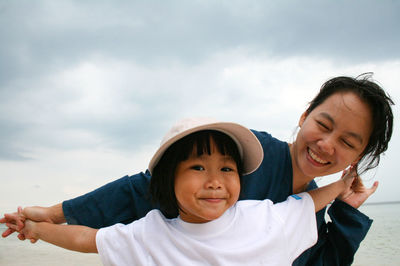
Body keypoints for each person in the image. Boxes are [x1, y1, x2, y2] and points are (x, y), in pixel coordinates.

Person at [1, 74, 394, 265]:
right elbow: (141, 190)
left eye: (348, 141)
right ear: (305, 114)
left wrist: (348, 210)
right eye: (323, 125)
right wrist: (52, 216)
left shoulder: (307, 208)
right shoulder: (243, 158)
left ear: (359, 155)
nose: (327, 145)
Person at [4, 118, 357, 265]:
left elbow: (307, 202)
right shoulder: (151, 232)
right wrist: (38, 227)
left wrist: (340, 186)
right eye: (198, 167)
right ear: (166, 182)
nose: (215, 180)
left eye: (227, 169)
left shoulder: (262, 217)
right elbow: (86, 239)